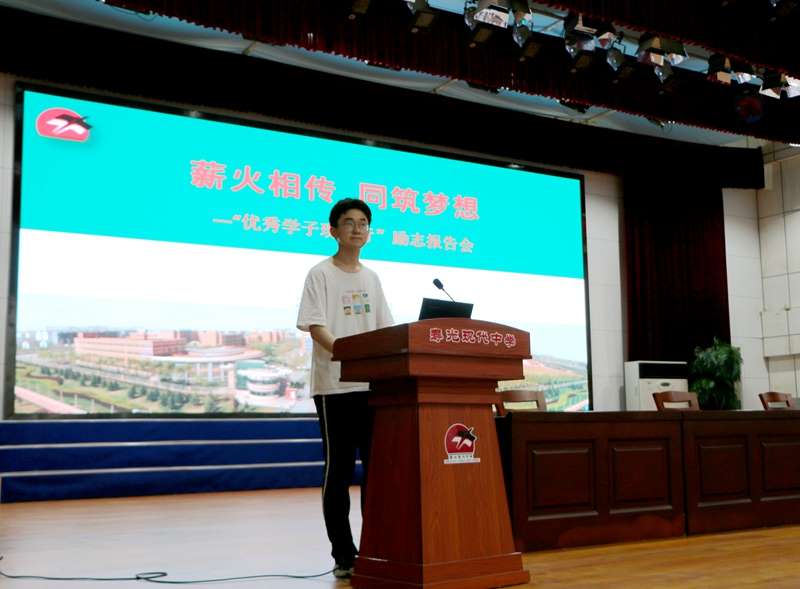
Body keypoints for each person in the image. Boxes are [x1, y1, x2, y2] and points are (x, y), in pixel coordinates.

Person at [296, 198, 393, 579]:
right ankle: (343, 555)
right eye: (349, 222)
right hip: (334, 386)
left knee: (376, 472)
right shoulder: (320, 274)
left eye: (363, 222)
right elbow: (315, 326)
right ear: (333, 231)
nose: (357, 228)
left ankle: (376, 548)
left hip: (372, 388)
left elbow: (385, 330)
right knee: (338, 471)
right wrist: (347, 354)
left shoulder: (372, 278)